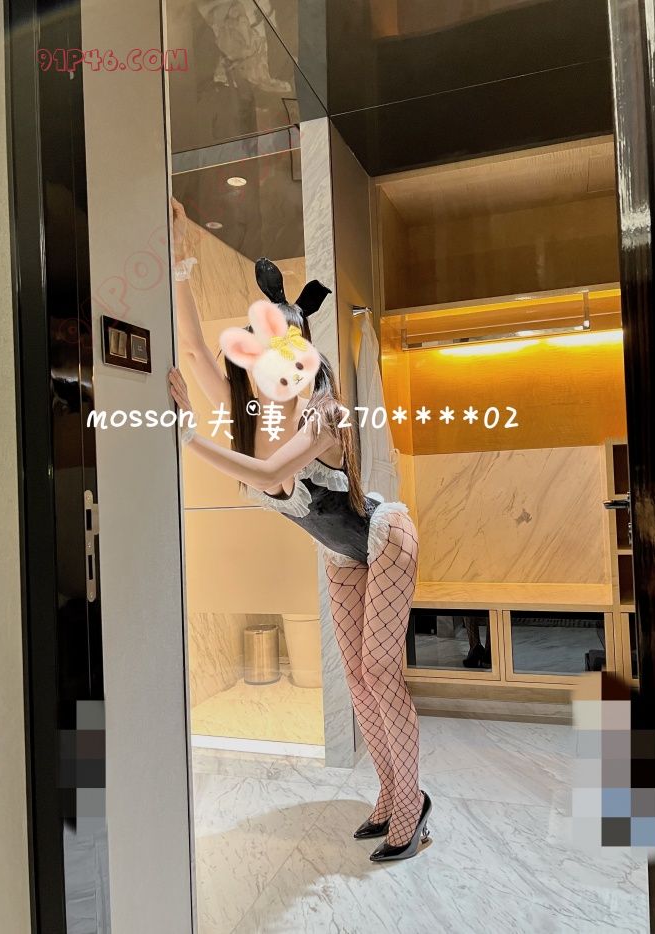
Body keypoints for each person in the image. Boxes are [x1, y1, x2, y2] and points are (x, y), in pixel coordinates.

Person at [168, 197, 431, 862]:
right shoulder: (251, 415)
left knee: (381, 671)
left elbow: (271, 473)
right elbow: (193, 349)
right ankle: (390, 792)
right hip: (342, 554)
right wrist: (179, 263)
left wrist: (190, 438)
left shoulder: (321, 419)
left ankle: (413, 803)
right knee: (358, 677)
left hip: (385, 536)